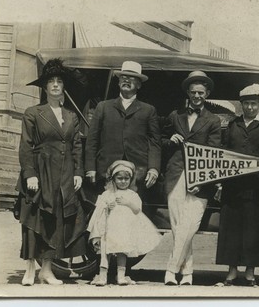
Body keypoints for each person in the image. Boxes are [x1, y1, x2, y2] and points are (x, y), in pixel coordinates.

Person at [18, 58, 86, 286]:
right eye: (51, 82)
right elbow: (26, 145)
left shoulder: (71, 116)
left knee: (55, 222)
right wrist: (30, 174)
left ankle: (46, 270)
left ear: (63, 87)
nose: (55, 85)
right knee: (34, 220)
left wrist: (78, 172)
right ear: (45, 87)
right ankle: (29, 269)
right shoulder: (33, 113)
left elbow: (77, 145)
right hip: (40, 171)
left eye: (59, 81)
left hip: (64, 175)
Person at [215, 84, 259, 287]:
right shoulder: (233, 125)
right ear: (241, 105)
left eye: (253, 104)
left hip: (258, 187)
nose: (250, 107)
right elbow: (223, 152)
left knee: (255, 230)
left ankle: (250, 272)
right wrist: (220, 182)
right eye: (246, 104)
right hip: (234, 186)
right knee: (232, 229)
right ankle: (232, 271)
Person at [162, 71, 221, 286]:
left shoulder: (213, 120)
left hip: (200, 179)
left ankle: (171, 270)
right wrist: (170, 140)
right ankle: (187, 274)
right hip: (176, 174)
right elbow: (160, 141)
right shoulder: (174, 116)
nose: (197, 96)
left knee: (191, 225)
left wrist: (201, 180)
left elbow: (214, 153)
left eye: (201, 93)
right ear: (188, 92)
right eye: (193, 92)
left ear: (207, 94)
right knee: (179, 226)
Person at [85, 61, 161, 196]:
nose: (126, 80)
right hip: (106, 172)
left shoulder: (148, 110)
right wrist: (90, 168)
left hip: (138, 174)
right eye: (123, 77)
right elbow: (92, 140)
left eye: (132, 78)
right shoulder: (103, 107)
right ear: (118, 82)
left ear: (139, 84)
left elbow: (154, 143)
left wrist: (153, 168)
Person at [87, 160, 162, 286]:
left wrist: (128, 203)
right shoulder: (108, 194)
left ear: (130, 179)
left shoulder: (132, 194)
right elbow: (100, 209)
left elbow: (137, 210)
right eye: (120, 178)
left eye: (126, 179)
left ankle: (120, 276)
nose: (123, 181)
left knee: (122, 251)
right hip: (109, 229)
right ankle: (102, 276)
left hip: (123, 229)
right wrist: (108, 206)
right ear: (113, 179)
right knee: (106, 252)